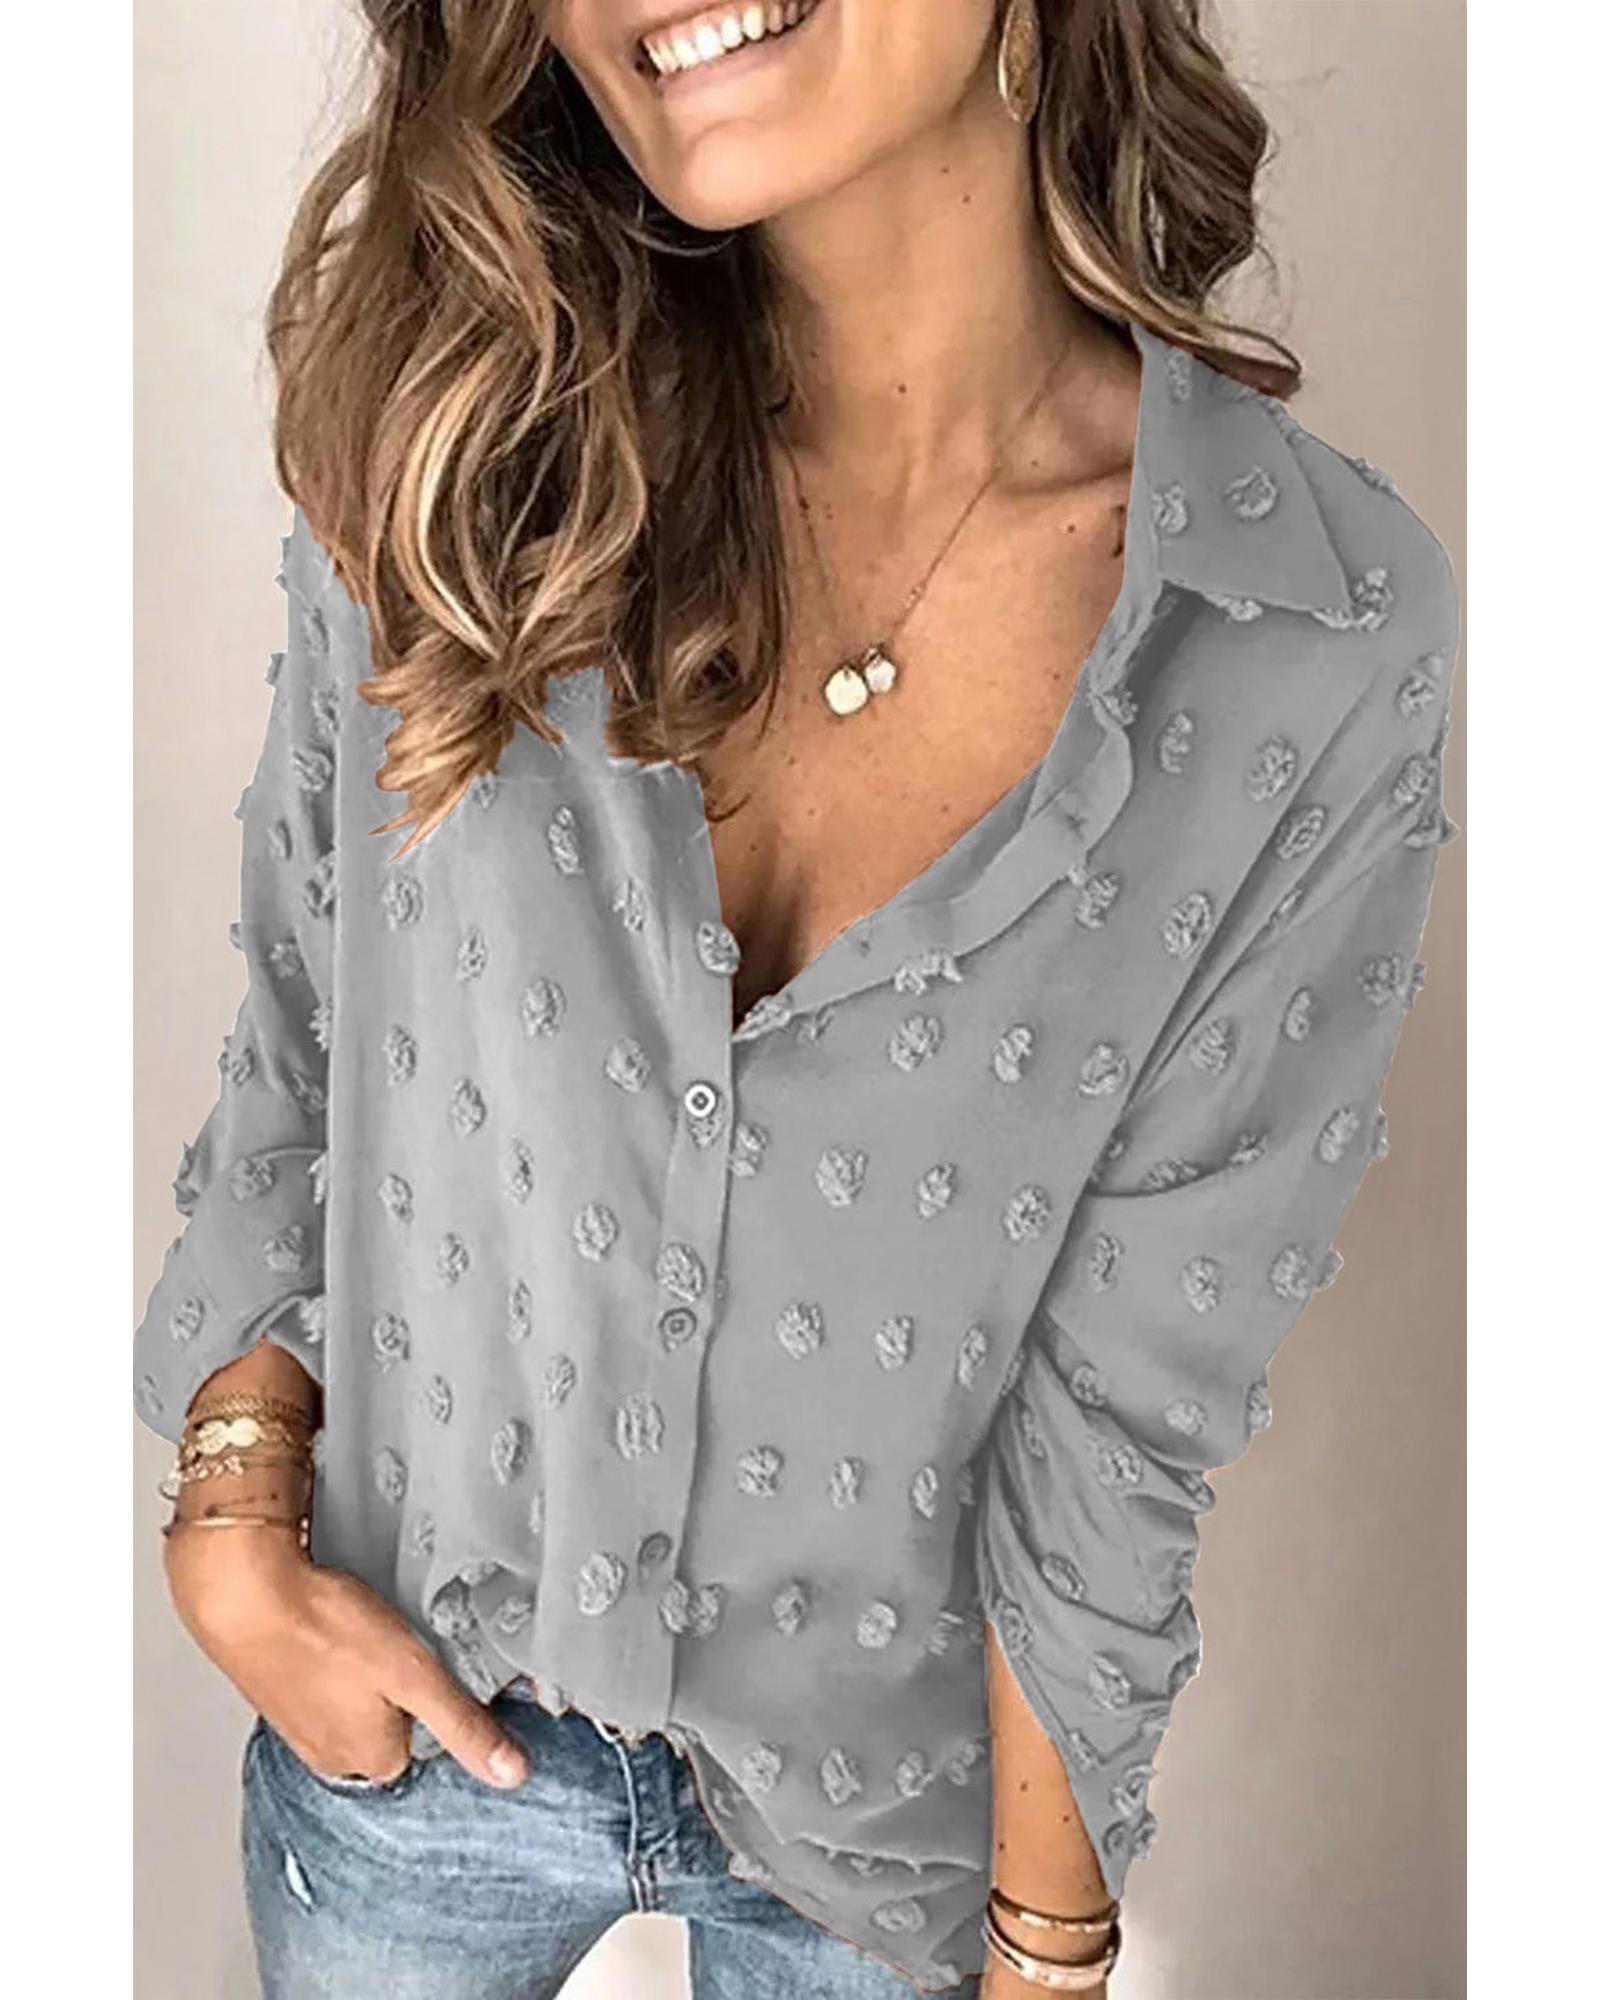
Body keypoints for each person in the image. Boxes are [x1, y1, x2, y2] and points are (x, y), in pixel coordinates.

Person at [133, 3, 1461, 1995]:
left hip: (892, 1830)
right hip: (405, 1732)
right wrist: (231, 1520)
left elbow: (1125, 1394)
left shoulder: (1301, 630)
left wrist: (1041, 1948)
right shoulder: (460, 425)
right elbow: (308, 1029)